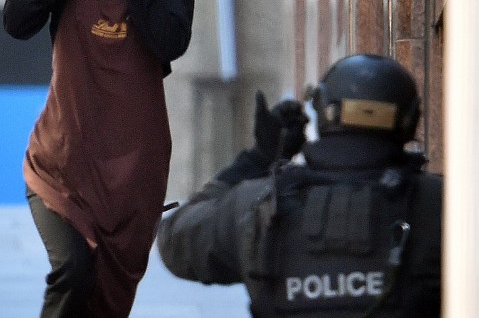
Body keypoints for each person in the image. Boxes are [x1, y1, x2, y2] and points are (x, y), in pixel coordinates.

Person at [3, 0, 194, 317]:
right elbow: (17, 22)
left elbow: (167, 43)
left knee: (108, 303)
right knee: (73, 268)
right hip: (63, 161)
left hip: (135, 170)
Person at [157, 54, 442, 317]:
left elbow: (176, 242)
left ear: (321, 110)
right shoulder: (440, 205)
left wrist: (261, 156)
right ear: (410, 118)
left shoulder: (260, 205)